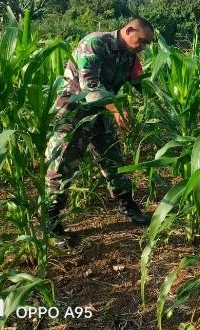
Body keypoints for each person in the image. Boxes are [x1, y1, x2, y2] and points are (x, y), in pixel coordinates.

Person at [45, 18, 155, 242]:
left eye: (147, 44)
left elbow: (141, 83)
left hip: (102, 112)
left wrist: (164, 103)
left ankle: (127, 205)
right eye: (141, 41)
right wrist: (116, 108)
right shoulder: (95, 43)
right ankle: (50, 222)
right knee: (62, 166)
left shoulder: (131, 56)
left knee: (113, 159)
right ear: (129, 30)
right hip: (73, 112)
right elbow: (89, 85)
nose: (143, 47)